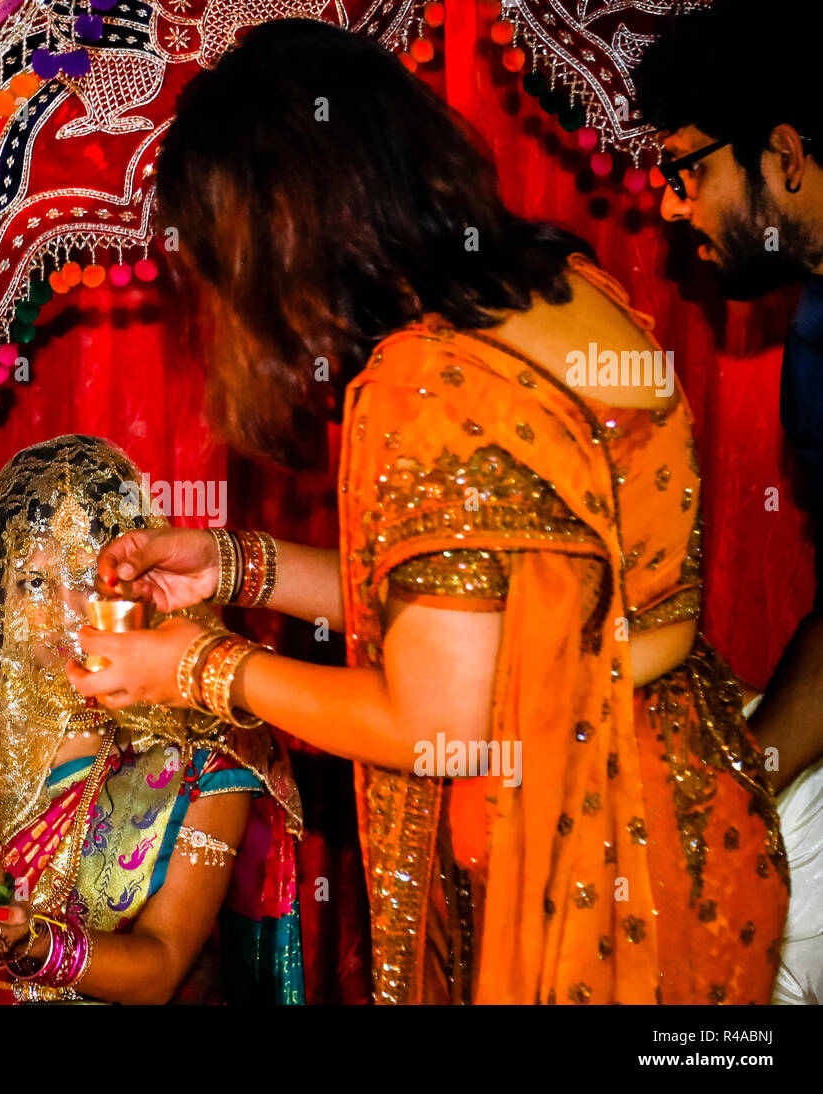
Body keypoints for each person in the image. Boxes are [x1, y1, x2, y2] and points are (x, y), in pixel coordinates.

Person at [67, 19, 787, 1004]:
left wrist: (193, 667)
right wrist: (236, 567)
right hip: (688, 817)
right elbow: (474, 616)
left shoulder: (426, 378)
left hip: (578, 877)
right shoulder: (562, 286)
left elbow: (435, 710)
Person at [0, 435, 304, 1004]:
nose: (63, 611)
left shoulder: (204, 757)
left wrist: (28, 941)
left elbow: (162, 966)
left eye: (84, 578)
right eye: (33, 582)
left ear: (137, 584)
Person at [635, 0, 823, 1004]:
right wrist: (743, 773)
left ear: (784, 154)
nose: (671, 206)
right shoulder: (811, 333)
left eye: (687, 169)